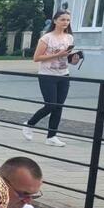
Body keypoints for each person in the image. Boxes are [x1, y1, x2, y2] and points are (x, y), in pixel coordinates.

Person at [23, 10, 75, 147]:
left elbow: (66, 57)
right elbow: (36, 58)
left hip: (64, 74)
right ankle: (29, 124)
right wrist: (58, 54)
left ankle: (51, 136)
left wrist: (73, 58)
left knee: (59, 107)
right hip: (47, 75)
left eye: (68, 20)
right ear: (55, 21)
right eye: (62, 19)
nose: (65, 22)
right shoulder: (47, 38)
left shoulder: (69, 37)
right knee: (51, 105)